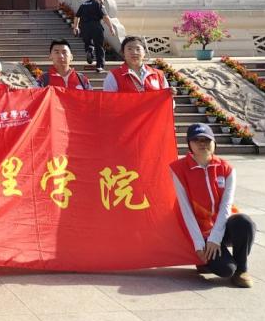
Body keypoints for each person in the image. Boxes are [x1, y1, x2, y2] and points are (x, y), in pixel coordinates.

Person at [170, 123, 255, 288]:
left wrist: (215, 238)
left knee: (244, 222)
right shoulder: (179, 169)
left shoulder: (226, 168)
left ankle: (242, 270)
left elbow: (226, 205)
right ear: (189, 144)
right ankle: (209, 261)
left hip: (223, 226)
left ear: (214, 143)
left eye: (207, 140)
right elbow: (185, 210)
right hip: (200, 232)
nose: (202, 144)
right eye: (197, 140)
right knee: (226, 270)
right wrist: (199, 244)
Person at [102, 35, 169, 93]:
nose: (134, 52)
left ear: (144, 52)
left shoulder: (158, 75)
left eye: (138, 49)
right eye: (129, 49)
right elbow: (108, 100)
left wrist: (170, 94)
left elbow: (166, 101)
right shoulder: (114, 75)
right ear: (123, 53)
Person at [73, 0, 116, 73]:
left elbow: (77, 16)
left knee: (88, 43)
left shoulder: (84, 4)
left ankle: (89, 50)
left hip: (84, 27)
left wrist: (76, 27)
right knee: (99, 46)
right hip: (95, 26)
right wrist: (111, 27)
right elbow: (105, 17)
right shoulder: (98, 3)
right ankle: (99, 66)